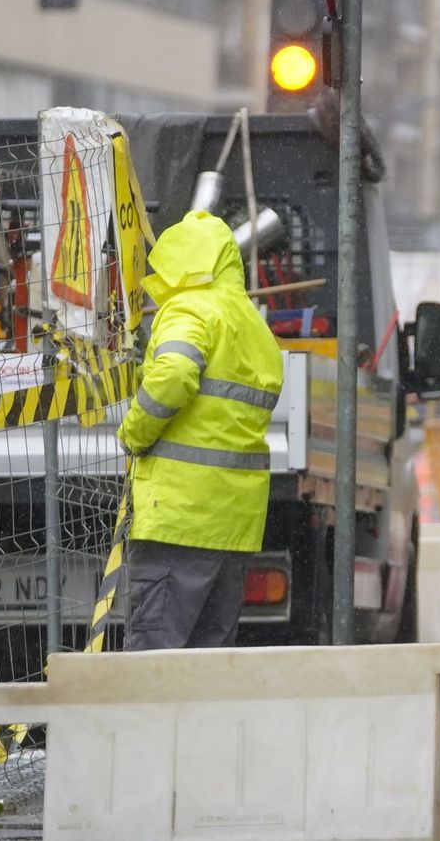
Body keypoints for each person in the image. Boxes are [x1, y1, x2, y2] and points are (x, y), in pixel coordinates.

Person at [117, 211, 283, 651]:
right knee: (207, 664)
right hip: (232, 523)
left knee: (154, 660)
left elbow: (175, 373)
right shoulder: (254, 326)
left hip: (179, 519)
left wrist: (135, 432)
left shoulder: (191, 309)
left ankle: (151, 725)